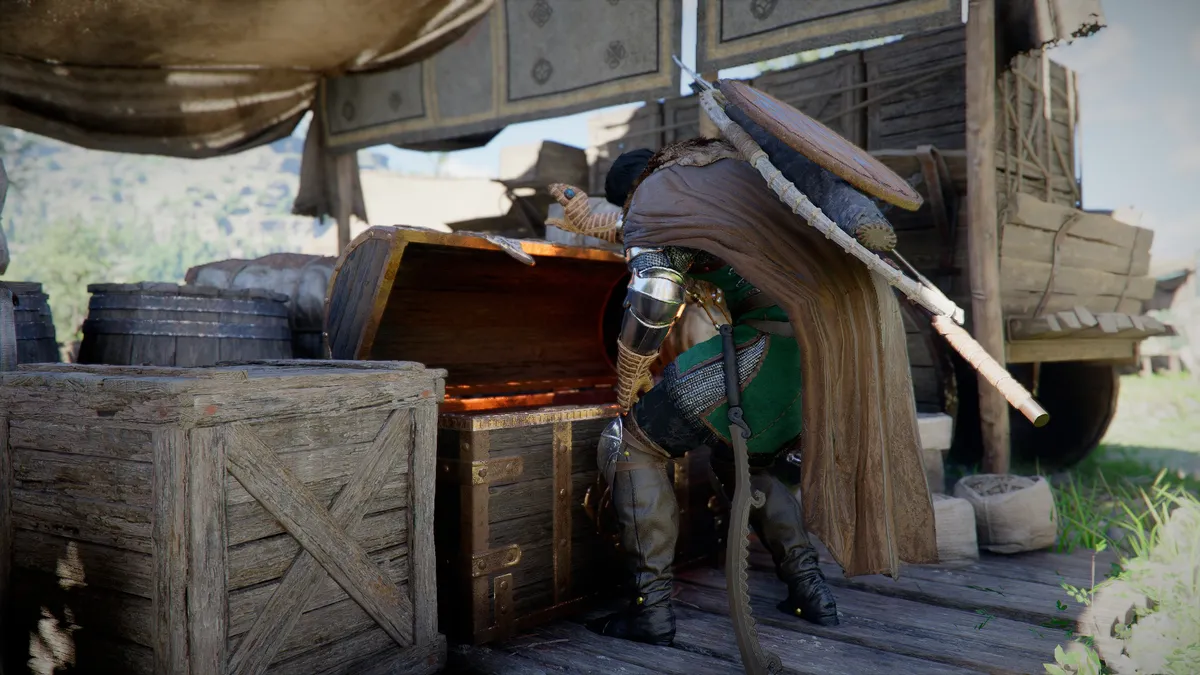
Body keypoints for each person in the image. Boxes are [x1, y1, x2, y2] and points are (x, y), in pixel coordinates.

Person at [549, 106, 937, 647]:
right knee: (744, 460)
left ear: (635, 191)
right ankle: (809, 591)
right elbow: (678, 236)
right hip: (827, 360)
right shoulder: (729, 178)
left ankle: (650, 611)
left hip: (766, 353)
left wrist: (629, 376)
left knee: (633, 442)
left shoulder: (659, 198)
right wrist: (600, 220)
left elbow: (655, 292)